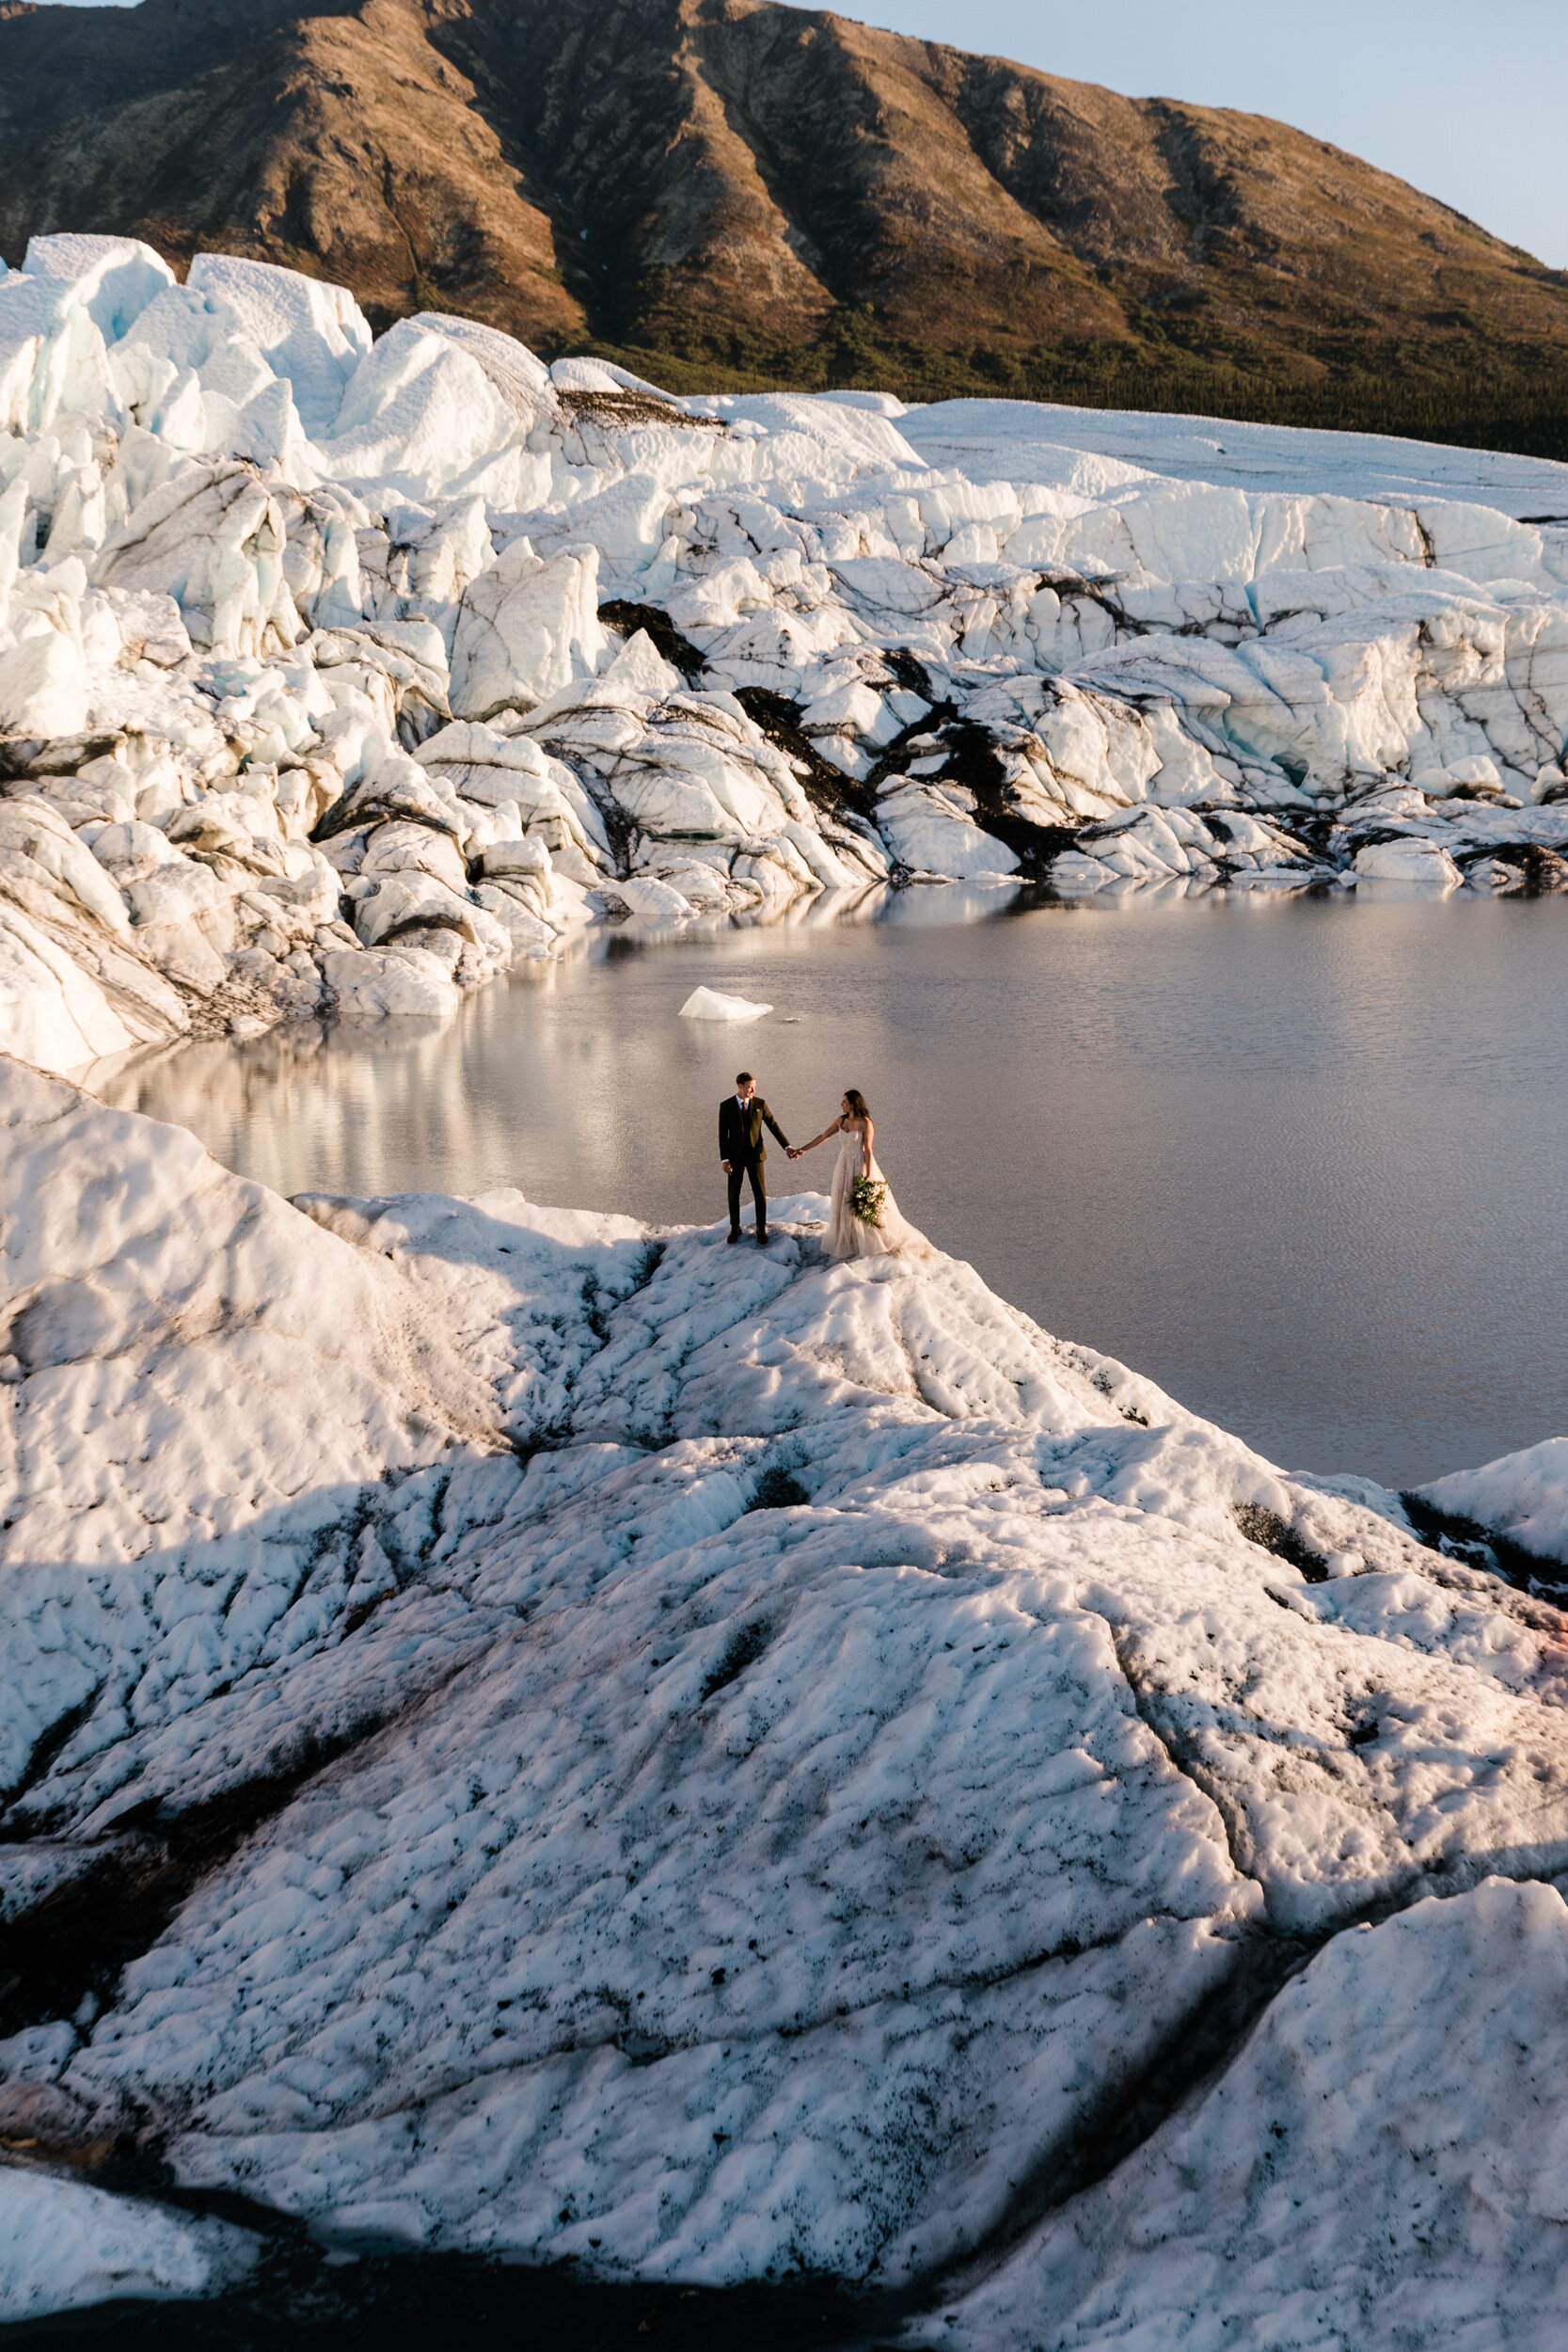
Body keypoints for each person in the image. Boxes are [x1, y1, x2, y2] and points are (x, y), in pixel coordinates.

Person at [788, 1089, 916, 1261]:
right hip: (844, 1164)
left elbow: (869, 1151)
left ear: (853, 1103)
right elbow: (823, 1136)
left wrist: (869, 1175)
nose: (841, 1104)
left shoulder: (866, 1124)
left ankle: (868, 1242)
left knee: (860, 1205)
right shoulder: (841, 1120)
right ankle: (848, 1241)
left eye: (844, 1102)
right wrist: (803, 1149)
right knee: (843, 1201)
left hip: (860, 1164)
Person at [720, 1072, 791, 1245]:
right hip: (735, 1158)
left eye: (754, 1088)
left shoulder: (760, 1104)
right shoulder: (726, 1106)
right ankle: (735, 1227)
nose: (753, 1091)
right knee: (733, 1193)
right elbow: (722, 1134)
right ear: (740, 1086)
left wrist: (787, 1147)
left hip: (756, 1156)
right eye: (750, 1087)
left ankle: (761, 1228)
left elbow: (773, 1125)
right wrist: (725, 1159)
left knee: (760, 1193)